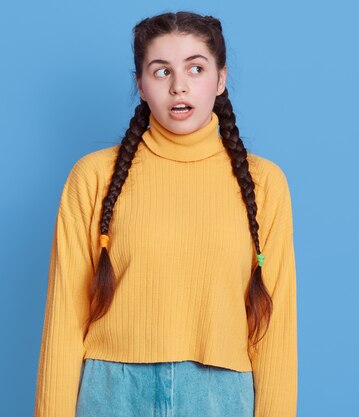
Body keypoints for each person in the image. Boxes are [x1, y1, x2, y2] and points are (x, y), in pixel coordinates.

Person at [33, 11, 298, 417]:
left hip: (221, 397)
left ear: (221, 79)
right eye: (161, 71)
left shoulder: (265, 183)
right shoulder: (94, 177)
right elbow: (64, 318)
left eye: (196, 68)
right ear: (140, 84)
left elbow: (274, 331)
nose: (179, 86)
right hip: (111, 393)